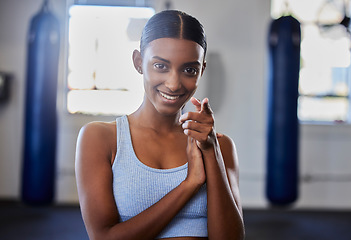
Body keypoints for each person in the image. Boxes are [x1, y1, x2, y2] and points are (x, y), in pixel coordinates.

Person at [75, 10, 245, 240]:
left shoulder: (221, 147)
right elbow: (104, 238)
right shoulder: (100, 138)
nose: (174, 84)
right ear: (138, 62)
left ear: (201, 70)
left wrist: (210, 151)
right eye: (160, 66)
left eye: (189, 70)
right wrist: (189, 185)